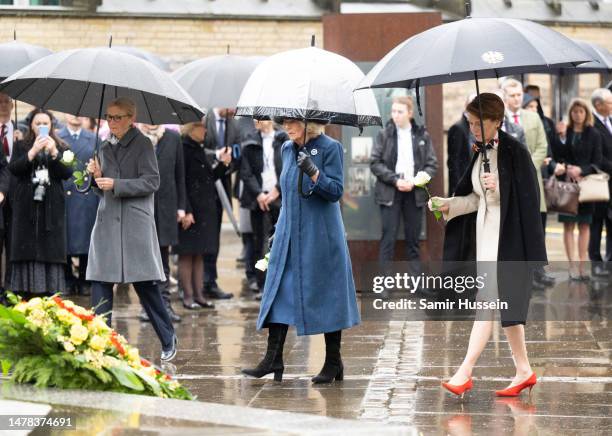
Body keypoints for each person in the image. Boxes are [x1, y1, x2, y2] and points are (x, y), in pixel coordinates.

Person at [429, 93, 546, 398]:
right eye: (470, 123)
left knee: (487, 304)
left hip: (508, 243)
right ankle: (523, 370)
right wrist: (448, 204)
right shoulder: (480, 153)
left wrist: (502, 186)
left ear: (497, 121)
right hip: (485, 239)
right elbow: (475, 198)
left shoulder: (516, 152)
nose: (473, 129)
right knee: (502, 307)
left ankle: (463, 372)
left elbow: (529, 200)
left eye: (479, 123)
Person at [241, 118, 360, 384]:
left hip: (322, 234)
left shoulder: (331, 147)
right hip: (290, 231)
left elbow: (336, 192)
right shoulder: (286, 148)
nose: (286, 126)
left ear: (310, 123)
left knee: (328, 294)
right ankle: (273, 358)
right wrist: (279, 229)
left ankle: (333, 362)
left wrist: (314, 172)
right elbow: (288, 193)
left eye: (293, 122)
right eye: (284, 122)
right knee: (279, 290)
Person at [85, 97, 177, 362]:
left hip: (135, 224)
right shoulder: (102, 146)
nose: (111, 122)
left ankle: (168, 337)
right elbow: (100, 190)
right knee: (101, 282)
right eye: (109, 117)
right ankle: (99, 343)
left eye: (117, 117)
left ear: (130, 118)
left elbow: (151, 181)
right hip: (107, 223)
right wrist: (95, 176)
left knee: (145, 284)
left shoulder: (143, 144)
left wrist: (115, 183)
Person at [8, 108, 73, 297]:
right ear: (31, 125)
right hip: (27, 204)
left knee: (50, 247)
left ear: (52, 125)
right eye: (38, 123)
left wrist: (54, 152)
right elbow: (14, 168)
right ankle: (25, 294)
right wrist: (32, 152)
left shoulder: (63, 146)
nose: (42, 127)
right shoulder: (21, 145)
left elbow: (68, 172)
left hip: (52, 206)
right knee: (26, 246)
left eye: (45, 123)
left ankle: (51, 293)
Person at [370, 95, 438, 264]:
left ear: (410, 113)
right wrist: (395, 180)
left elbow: (432, 165)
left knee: (413, 241)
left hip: (414, 192)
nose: (395, 115)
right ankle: (383, 286)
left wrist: (415, 182)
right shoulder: (384, 134)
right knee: (388, 239)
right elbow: (375, 163)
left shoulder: (422, 135)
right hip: (390, 191)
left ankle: (417, 286)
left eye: (400, 111)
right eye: (393, 111)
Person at [502, 79, 554, 289]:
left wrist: (526, 165)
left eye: (519, 95)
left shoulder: (533, 117)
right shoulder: (501, 119)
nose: (517, 99)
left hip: (531, 179)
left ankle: (536, 271)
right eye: (512, 95)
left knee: (535, 226)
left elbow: (542, 146)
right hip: (507, 181)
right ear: (505, 96)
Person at [175, 121, 232, 310]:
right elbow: (181, 182)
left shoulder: (199, 148)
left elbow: (209, 178)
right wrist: (186, 210)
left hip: (204, 210)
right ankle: (188, 296)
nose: (205, 130)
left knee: (199, 254)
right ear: (192, 129)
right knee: (186, 254)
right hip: (191, 211)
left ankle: (199, 295)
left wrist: (223, 165)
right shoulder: (183, 148)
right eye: (202, 126)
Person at [138, 123, 185, 323]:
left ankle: (165, 305)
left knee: (163, 258)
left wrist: (181, 206)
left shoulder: (173, 138)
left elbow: (180, 175)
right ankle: (146, 307)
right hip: (141, 206)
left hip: (166, 206)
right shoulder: (135, 139)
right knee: (144, 259)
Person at [553, 98, 603, 280]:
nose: (578, 115)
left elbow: (597, 161)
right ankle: (571, 265)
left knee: (584, 225)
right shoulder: (565, 132)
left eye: (581, 111)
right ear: (571, 114)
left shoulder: (594, 134)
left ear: (586, 113)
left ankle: (583, 265)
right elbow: (558, 155)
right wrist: (561, 136)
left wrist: (582, 170)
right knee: (568, 225)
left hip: (586, 185)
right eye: (574, 112)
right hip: (568, 185)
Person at [240, 120, 288, 296]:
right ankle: (263, 285)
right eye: (254, 117)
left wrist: (277, 190)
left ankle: (281, 284)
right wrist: (259, 194)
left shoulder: (284, 140)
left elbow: (289, 168)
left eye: (260, 117)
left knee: (281, 241)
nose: (255, 121)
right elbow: (245, 172)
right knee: (260, 243)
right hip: (258, 199)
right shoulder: (250, 141)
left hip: (280, 197)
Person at [58, 114, 99, 296]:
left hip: (86, 194)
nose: (75, 116)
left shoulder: (94, 137)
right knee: (65, 238)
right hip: (64, 193)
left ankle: (84, 279)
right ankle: (67, 278)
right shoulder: (57, 136)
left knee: (86, 238)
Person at [200, 108, 238, 299]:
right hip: (202, 186)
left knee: (214, 236)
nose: (233, 110)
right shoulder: (205, 119)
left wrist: (230, 159)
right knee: (202, 236)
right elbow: (197, 149)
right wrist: (216, 155)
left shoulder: (233, 123)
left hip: (222, 186)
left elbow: (238, 152)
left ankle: (210, 281)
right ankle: (199, 281)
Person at [588, 88, 612, 276]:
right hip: (599, 182)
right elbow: (597, 157)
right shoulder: (592, 124)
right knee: (597, 222)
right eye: (609, 103)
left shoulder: (610, 120)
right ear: (598, 105)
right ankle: (595, 261)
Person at [0, 93, 20, 298]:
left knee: (14, 247)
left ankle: (10, 290)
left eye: (7, 101)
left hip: (18, 199)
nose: (3, 106)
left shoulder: (22, 131)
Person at [447, 94, 475, 195]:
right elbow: (454, 162)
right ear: (466, 105)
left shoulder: (479, 126)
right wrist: (457, 188)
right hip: (463, 185)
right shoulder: (458, 128)